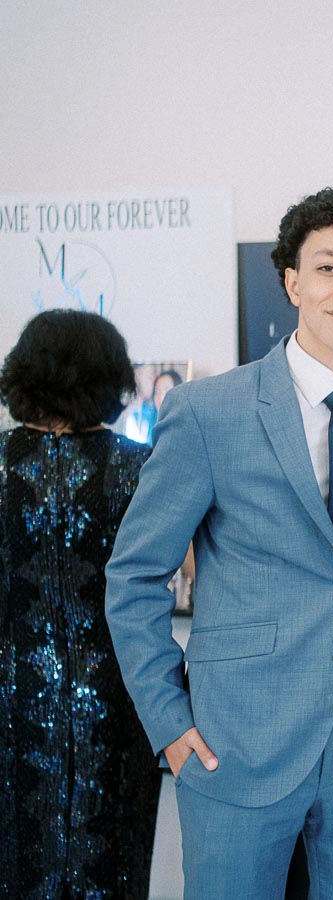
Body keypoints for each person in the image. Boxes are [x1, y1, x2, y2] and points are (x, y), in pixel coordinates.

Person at [105, 185, 333, 897]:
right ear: (292, 281)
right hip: (237, 735)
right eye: (329, 267)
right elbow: (136, 577)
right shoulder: (208, 411)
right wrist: (169, 724)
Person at [0, 310, 161, 897]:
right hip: (120, 700)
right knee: (114, 865)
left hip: (12, 695)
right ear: (109, 377)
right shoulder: (140, 468)